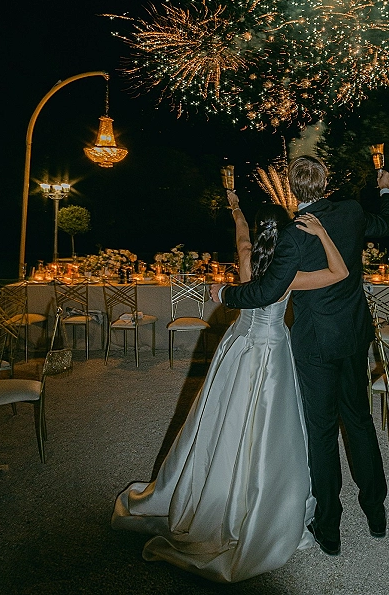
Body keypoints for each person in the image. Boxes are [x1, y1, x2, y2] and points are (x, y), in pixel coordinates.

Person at [111, 189, 348, 583]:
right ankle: (257, 498)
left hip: (238, 346)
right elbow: (340, 273)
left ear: (258, 234)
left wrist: (236, 209)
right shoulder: (289, 275)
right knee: (269, 425)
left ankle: (213, 486)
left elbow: (240, 238)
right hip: (271, 351)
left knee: (221, 415)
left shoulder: (246, 259)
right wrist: (323, 234)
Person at [211, 156, 389, 556]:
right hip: (353, 335)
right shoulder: (349, 212)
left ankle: (329, 528)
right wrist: (386, 188)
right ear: (326, 180)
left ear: (293, 189)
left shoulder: (293, 235)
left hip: (316, 344)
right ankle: (375, 511)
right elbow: (388, 225)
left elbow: (264, 291)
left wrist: (224, 293)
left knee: (322, 432)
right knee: (361, 421)